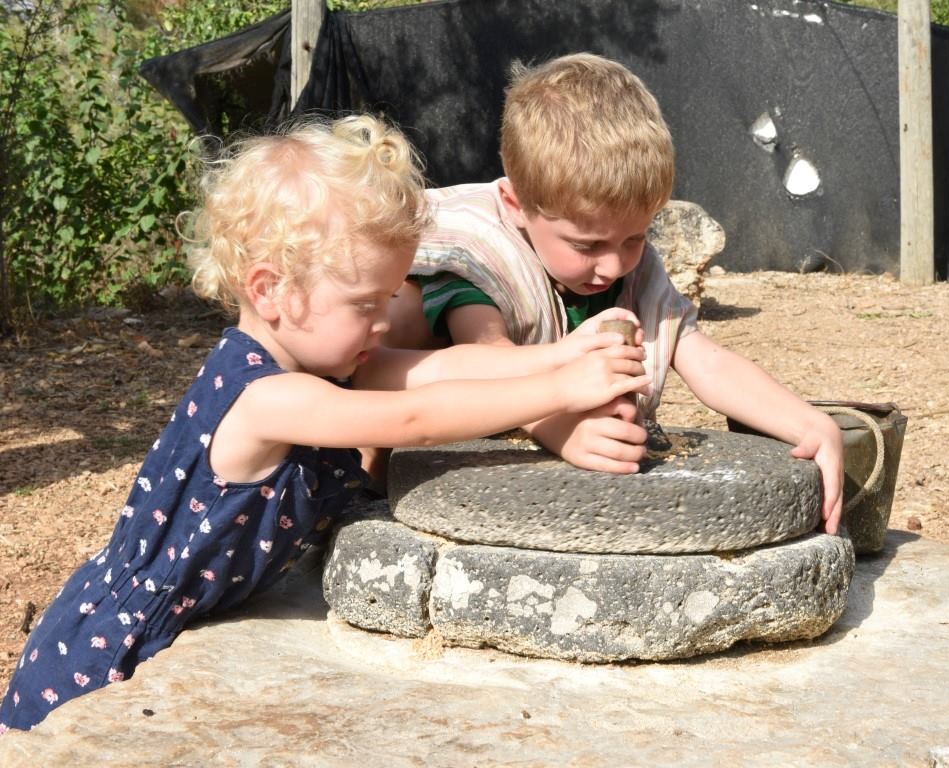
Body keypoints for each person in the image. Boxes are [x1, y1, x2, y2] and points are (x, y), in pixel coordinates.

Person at [0, 114, 651, 733]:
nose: (381, 322)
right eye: (366, 303)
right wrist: (562, 388)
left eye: (389, 299)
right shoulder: (265, 398)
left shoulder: (327, 364)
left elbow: (440, 371)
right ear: (270, 289)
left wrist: (563, 353)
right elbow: (414, 416)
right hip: (110, 653)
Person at [376, 52, 845, 534]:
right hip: (412, 428)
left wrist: (809, 423)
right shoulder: (482, 249)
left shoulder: (631, 271)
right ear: (517, 205)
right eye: (587, 244)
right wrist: (558, 426)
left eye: (634, 238)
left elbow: (705, 359)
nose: (613, 264)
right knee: (406, 312)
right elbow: (487, 357)